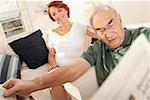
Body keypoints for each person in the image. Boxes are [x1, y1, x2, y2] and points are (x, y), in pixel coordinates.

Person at [2, 4, 150, 98]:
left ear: (119, 19)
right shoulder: (97, 49)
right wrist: (32, 85)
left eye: (110, 24)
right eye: (100, 30)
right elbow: (71, 68)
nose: (108, 34)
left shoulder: (144, 34)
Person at [44, 1, 87, 100]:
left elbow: (98, 33)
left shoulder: (80, 26)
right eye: (54, 14)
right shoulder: (51, 33)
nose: (58, 15)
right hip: (59, 68)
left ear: (66, 10)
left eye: (60, 10)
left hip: (76, 67)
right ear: (53, 18)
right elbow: (51, 54)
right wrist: (54, 66)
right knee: (55, 82)